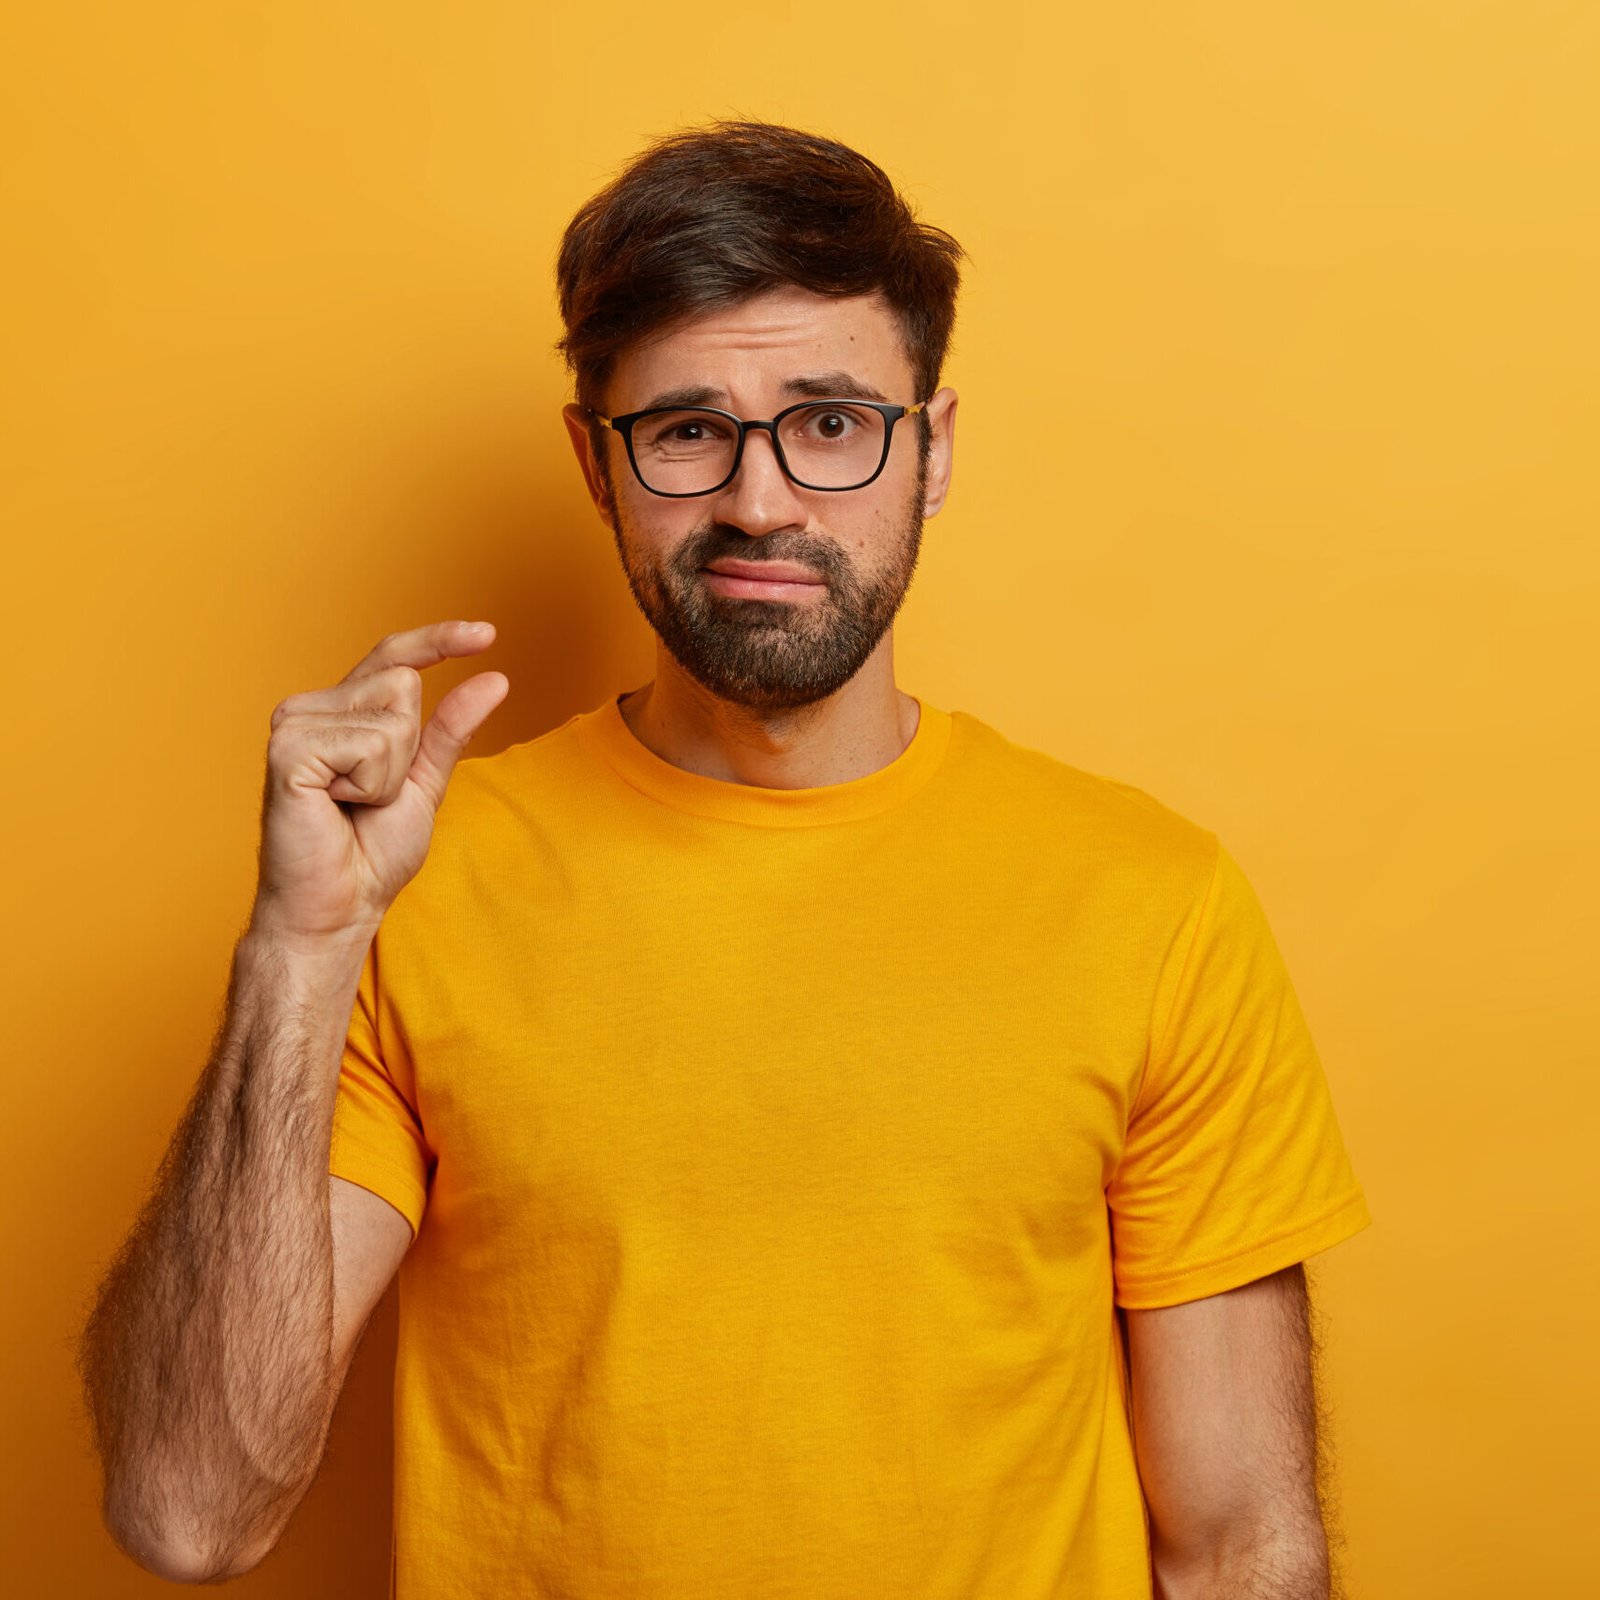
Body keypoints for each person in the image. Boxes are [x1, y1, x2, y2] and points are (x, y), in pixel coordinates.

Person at [78, 120, 1371, 1598]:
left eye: (831, 423)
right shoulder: (415, 889)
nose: (761, 502)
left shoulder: (1152, 902)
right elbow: (189, 1512)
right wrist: (297, 955)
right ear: (596, 459)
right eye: (689, 430)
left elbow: (1241, 1550)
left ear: (931, 449)